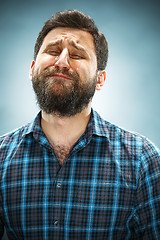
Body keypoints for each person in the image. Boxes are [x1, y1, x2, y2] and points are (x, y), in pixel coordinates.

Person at [0, 9, 159, 240]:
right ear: (32, 69)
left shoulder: (142, 159)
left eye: (77, 55)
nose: (61, 62)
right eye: (53, 51)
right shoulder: (2, 157)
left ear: (100, 79)